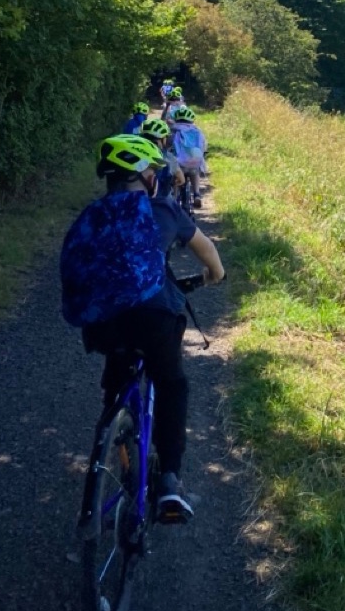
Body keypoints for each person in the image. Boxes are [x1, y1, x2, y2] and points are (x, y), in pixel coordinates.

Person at [60, 134, 225, 522]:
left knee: (116, 378)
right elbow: (209, 253)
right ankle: (169, 480)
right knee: (171, 384)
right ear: (147, 178)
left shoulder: (91, 216)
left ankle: (114, 448)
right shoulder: (165, 210)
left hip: (101, 324)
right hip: (153, 321)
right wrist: (213, 275)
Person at [171, 106, 208, 209]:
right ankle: (196, 194)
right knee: (195, 171)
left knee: (175, 178)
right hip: (194, 162)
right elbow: (204, 146)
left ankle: (173, 199)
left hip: (179, 164)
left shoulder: (172, 130)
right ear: (191, 120)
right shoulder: (197, 131)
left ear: (176, 118)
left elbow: (167, 146)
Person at [140, 116, 184, 198]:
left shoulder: (135, 153)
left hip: (137, 200)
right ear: (163, 139)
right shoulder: (168, 157)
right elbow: (181, 180)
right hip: (160, 201)